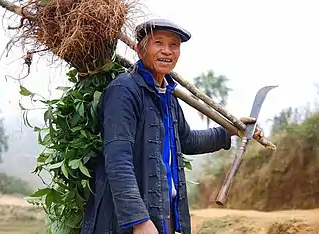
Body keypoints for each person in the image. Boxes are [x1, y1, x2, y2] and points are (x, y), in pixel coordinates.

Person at [81, 18, 262, 234]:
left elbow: (187, 140)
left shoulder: (169, 96)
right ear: (140, 50)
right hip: (123, 222)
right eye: (158, 43)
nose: (167, 51)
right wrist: (139, 221)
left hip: (162, 213)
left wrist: (231, 131)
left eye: (174, 45)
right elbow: (118, 160)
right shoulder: (124, 91)